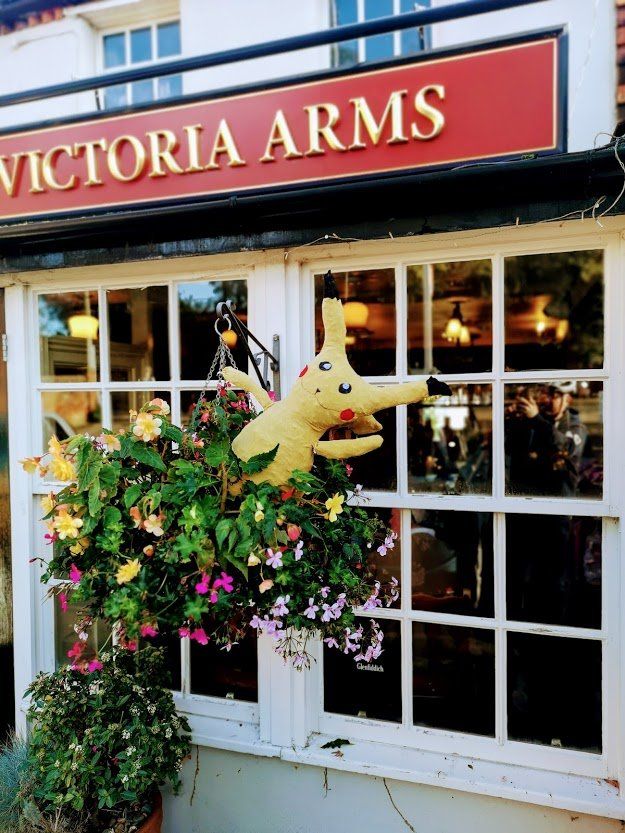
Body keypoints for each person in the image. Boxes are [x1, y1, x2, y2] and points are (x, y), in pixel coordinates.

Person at [505, 383, 587, 498]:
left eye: (554, 395)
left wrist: (536, 418)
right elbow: (510, 451)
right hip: (528, 497)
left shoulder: (576, 427)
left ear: (568, 399)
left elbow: (567, 447)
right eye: (545, 393)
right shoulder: (536, 421)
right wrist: (510, 421)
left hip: (559, 502)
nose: (547, 399)